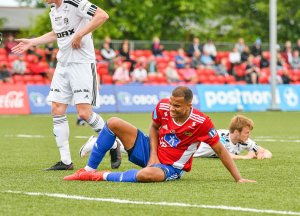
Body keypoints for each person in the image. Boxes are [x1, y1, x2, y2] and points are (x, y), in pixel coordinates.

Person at [12, 0, 121, 170]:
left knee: (84, 113)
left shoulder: (75, 2)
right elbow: (57, 33)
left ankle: (114, 144)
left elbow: (102, 15)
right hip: (62, 65)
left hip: (82, 63)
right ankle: (65, 161)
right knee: (56, 109)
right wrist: (33, 42)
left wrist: (79, 35)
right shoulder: (53, 10)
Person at [64, 86, 256, 183]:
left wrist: (238, 178)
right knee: (113, 122)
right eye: (171, 103)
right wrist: (153, 155)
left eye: (177, 106)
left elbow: (221, 151)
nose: (171, 108)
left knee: (147, 175)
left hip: (171, 167)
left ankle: (96, 176)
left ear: (189, 106)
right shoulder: (163, 106)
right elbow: (154, 127)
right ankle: (87, 170)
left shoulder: (202, 123)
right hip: (150, 151)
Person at [193, 115, 272, 159]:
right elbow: (224, 155)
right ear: (237, 132)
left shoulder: (244, 140)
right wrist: (246, 157)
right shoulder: (222, 137)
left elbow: (266, 152)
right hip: (191, 153)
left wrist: (262, 156)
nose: (249, 135)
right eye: (247, 132)